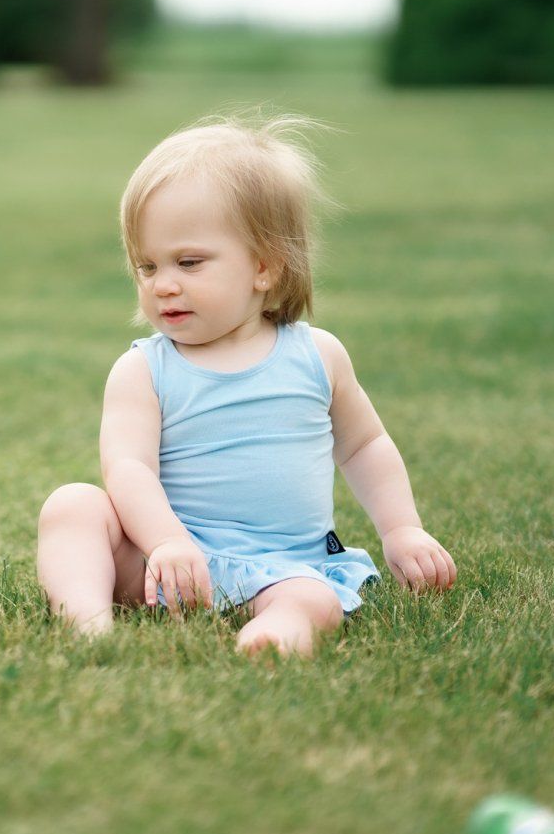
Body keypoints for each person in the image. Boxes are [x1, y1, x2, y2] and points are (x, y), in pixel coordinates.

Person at [35, 115, 455, 654]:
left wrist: (402, 530)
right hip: (167, 562)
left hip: (282, 565)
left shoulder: (317, 356)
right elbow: (128, 468)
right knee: (73, 505)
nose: (164, 284)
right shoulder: (144, 370)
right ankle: (87, 624)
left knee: (314, 600)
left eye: (189, 263)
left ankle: (275, 634)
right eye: (146, 266)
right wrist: (167, 542)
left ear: (265, 267)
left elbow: (365, 445)